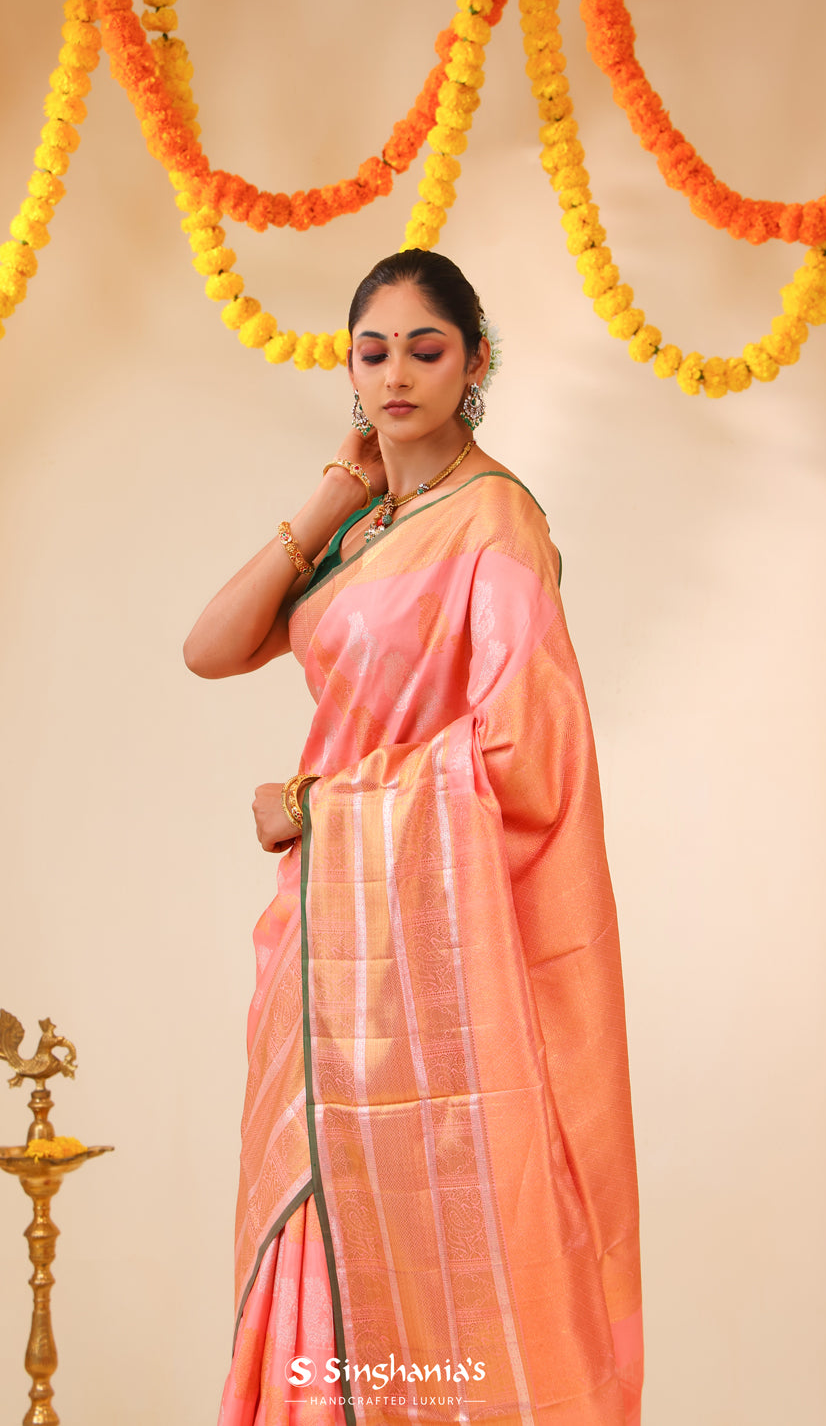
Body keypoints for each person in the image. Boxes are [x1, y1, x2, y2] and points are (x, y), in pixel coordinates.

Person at [184, 250, 643, 1426]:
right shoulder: (369, 527)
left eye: (425, 349)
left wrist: (321, 808)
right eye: (370, 351)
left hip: (423, 945)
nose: (394, 373)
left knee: (441, 1221)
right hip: (321, 934)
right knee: (306, 1207)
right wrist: (333, 495)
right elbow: (213, 645)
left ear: (474, 361)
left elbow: (523, 747)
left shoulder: (493, 523)